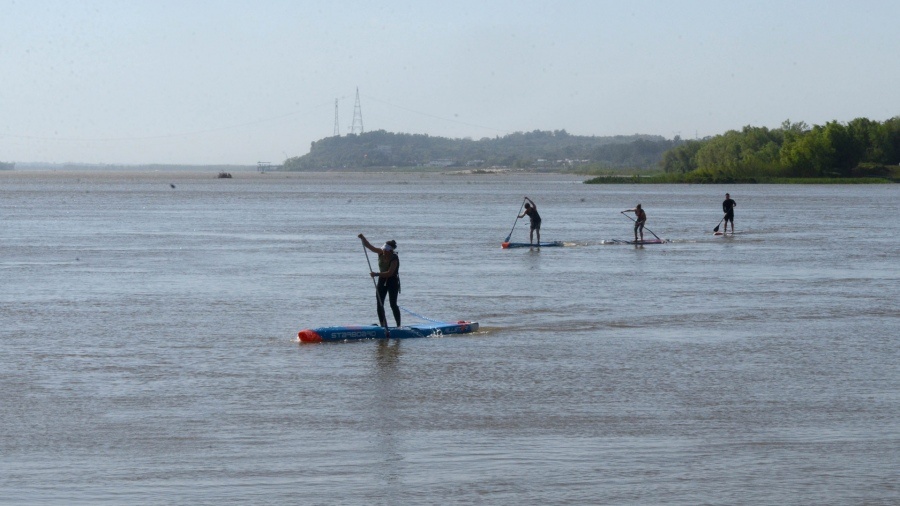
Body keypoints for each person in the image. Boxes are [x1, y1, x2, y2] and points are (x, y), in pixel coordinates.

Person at [358, 234, 401, 328]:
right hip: (382, 280)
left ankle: (398, 326)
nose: (383, 251)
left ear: (390, 251)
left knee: (393, 304)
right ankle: (383, 325)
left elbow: (390, 273)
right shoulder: (381, 252)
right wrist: (362, 238)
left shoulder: (394, 258)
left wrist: (376, 274)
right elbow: (369, 246)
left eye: (385, 250)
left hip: (392, 281)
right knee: (380, 303)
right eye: (383, 249)